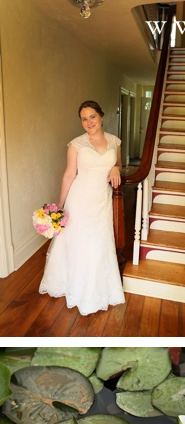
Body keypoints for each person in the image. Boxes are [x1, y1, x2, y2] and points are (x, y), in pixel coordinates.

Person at [38, 101, 126, 315]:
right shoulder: (76, 144)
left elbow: (120, 164)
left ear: (101, 117)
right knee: (79, 242)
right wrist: (60, 203)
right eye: (84, 119)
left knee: (99, 241)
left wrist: (116, 168)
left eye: (92, 117)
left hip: (102, 200)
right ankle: (75, 286)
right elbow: (69, 174)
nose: (89, 122)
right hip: (79, 199)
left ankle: (96, 287)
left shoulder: (114, 141)